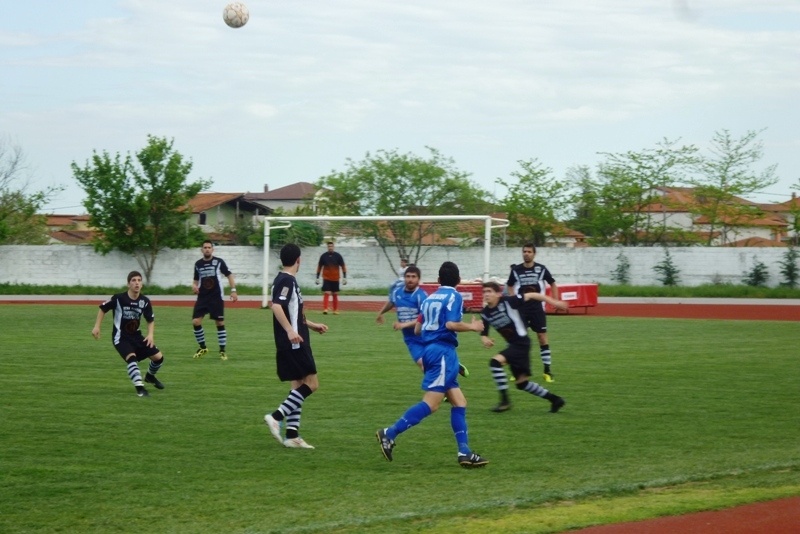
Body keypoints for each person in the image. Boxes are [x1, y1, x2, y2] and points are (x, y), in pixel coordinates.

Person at [376, 261, 488, 468]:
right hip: (442, 353)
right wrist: (473, 327)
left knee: (460, 402)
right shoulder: (454, 296)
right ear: (458, 280)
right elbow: (451, 324)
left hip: (431, 351)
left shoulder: (428, 299)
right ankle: (389, 433)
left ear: (438, 280)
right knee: (432, 404)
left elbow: (418, 330)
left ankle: (464, 452)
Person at [264, 243, 329, 449]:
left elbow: (294, 313)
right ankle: (276, 416)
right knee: (312, 384)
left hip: (294, 338)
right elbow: (275, 305)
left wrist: (311, 324)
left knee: (297, 386)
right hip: (294, 342)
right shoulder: (286, 280)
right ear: (298, 260)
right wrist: (291, 331)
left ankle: (292, 435)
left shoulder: (284, 280)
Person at [479, 281, 567, 413]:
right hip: (514, 345)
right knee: (522, 383)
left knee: (495, 362)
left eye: (489, 291)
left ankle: (505, 401)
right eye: (484, 292)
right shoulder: (485, 313)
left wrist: (555, 302)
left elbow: (532, 295)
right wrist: (485, 339)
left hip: (521, 343)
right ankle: (555, 400)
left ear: (498, 293)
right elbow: (484, 332)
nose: (486, 294)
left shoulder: (508, 301)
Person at [376, 264, 470, 377]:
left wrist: (403, 325)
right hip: (411, 339)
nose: (410, 279)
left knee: (428, 363)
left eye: (413, 277)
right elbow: (391, 302)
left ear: (418, 279)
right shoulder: (397, 292)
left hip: (425, 335)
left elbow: (424, 319)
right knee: (423, 364)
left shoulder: (422, 296)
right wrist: (381, 313)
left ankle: (443, 385)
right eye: (408, 276)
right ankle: (447, 378)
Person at [92, 271, 165, 397]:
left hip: (136, 336)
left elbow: (150, 319)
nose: (137, 283)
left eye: (139, 280)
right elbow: (103, 308)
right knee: (132, 358)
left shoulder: (145, 301)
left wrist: (150, 334)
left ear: (141, 284)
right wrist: (97, 326)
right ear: (128, 284)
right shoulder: (118, 298)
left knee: (159, 358)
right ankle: (140, 389)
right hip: (121, 337)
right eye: (133, 280)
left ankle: (149, 376)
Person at [507, 243, 559, 382]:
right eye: (524, 251)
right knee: (519, 340)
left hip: (537, 309)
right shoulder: (516, 270)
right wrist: (513, 300)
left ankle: (547, 371)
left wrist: (555, 300)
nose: (526, 254)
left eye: (529, 251)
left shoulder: (541, 269)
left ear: (534, 254)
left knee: (542, 338)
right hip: (521, 310)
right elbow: (509, 285)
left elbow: (553, 283)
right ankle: (517, 370)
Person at [191, 240, 238, 360]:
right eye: (205, 247)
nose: (207, 249)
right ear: (202, 250)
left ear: (213, 249)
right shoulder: (198, 264)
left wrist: (233, 290)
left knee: (220, 323)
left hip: (216, 297)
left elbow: (229, 275)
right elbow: (196, 280)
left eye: (209, 247)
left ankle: (222, 351)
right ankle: (203, 347)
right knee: (196, 321)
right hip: (202, 297)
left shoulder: (218, 262)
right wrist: (194, 286)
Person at [316, 241, 347, 315]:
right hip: (326, 278)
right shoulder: (323, 256)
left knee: (335, 294)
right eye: (329, 246)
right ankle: (325, 309)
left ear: (333, 247)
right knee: (327, 293)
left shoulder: (338, 256)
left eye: (331, 246)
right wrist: (317, 277)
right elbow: (319, 267)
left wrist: (344, 277)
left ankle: (335, 310)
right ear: (327, 247)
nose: (330, 248)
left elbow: (343, 266)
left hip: (335, 278)